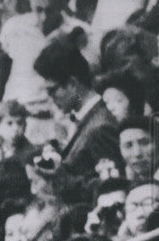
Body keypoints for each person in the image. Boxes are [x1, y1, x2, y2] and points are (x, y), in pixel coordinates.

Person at [33, 35, 122, 173]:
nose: (50, 98)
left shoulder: (100, 128)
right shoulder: (90, 118)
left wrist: (57, 176)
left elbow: (113, 183)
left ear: (72, 84)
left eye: (53, 91)